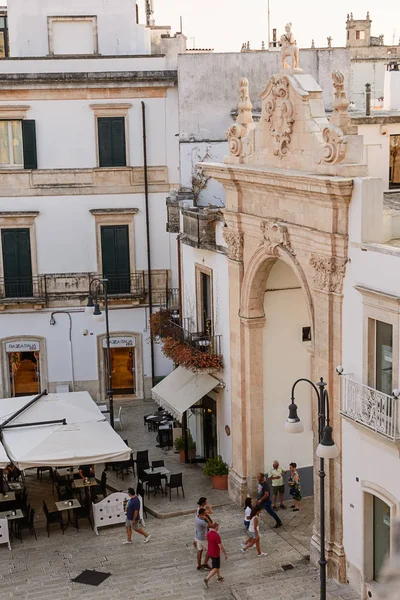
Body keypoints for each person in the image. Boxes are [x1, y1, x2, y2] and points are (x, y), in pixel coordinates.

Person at [204, 522, 227, 588]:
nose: (218, 528)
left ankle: (219, 577)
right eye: (218, 526)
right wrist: (225, 554)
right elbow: (221, 546)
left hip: (210, 552)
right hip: (215, 553)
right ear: (216, 527)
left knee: (215, 565)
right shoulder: (216, 536)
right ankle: (207, 579)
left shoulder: (208, 534)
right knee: (216, 567)